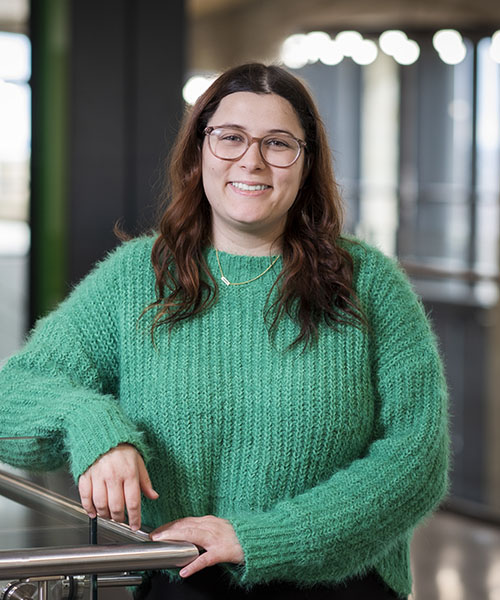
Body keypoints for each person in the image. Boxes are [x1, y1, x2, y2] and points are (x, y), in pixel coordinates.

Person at [0, 63, 448, 599]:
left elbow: (417, 459)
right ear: (198, 152)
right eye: (230, 137)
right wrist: (91, 423)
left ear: (306, 164)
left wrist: (261, 536)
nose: (251, 160)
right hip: (183, 583)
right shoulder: (136, 278)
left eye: (278, 144)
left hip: (339, 585)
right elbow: (11, 403)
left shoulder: (368, 284)